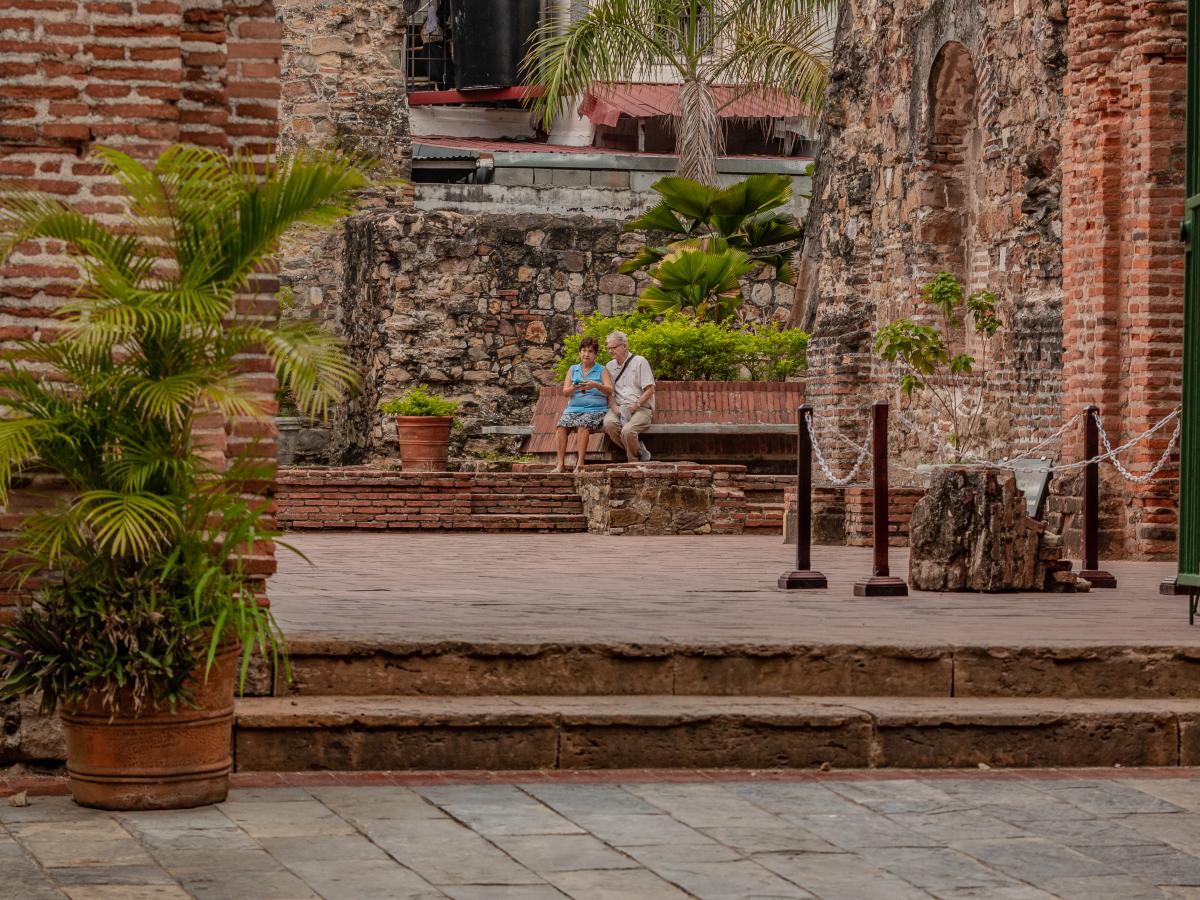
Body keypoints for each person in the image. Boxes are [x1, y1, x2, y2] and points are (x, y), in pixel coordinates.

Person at [553, 336, 613, 473]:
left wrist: (596, 385)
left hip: (595, 410)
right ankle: (560, 464)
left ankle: (580, 464)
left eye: (590, 351)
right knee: (561, 426)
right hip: (573, 409)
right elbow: (565, 392)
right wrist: (574, 387)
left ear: (595, 354)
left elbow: (610, 390)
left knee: (583, 425)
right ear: (580, 352)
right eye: (584, 350)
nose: (586, 354)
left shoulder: (601, 370)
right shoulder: (573, 369)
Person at [603, 330, 655, 463]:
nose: (610, 351)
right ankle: (639, 450)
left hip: (641, 408)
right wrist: (614, 407)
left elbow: (650, 389)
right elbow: (610, 392)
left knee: (627, 431)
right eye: (609, 348)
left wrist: (635, 405)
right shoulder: (609, 366)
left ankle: (633, 461)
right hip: (620, 407)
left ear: (624, 346)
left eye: (613, 347)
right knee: (609, 424)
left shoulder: (640, 361)